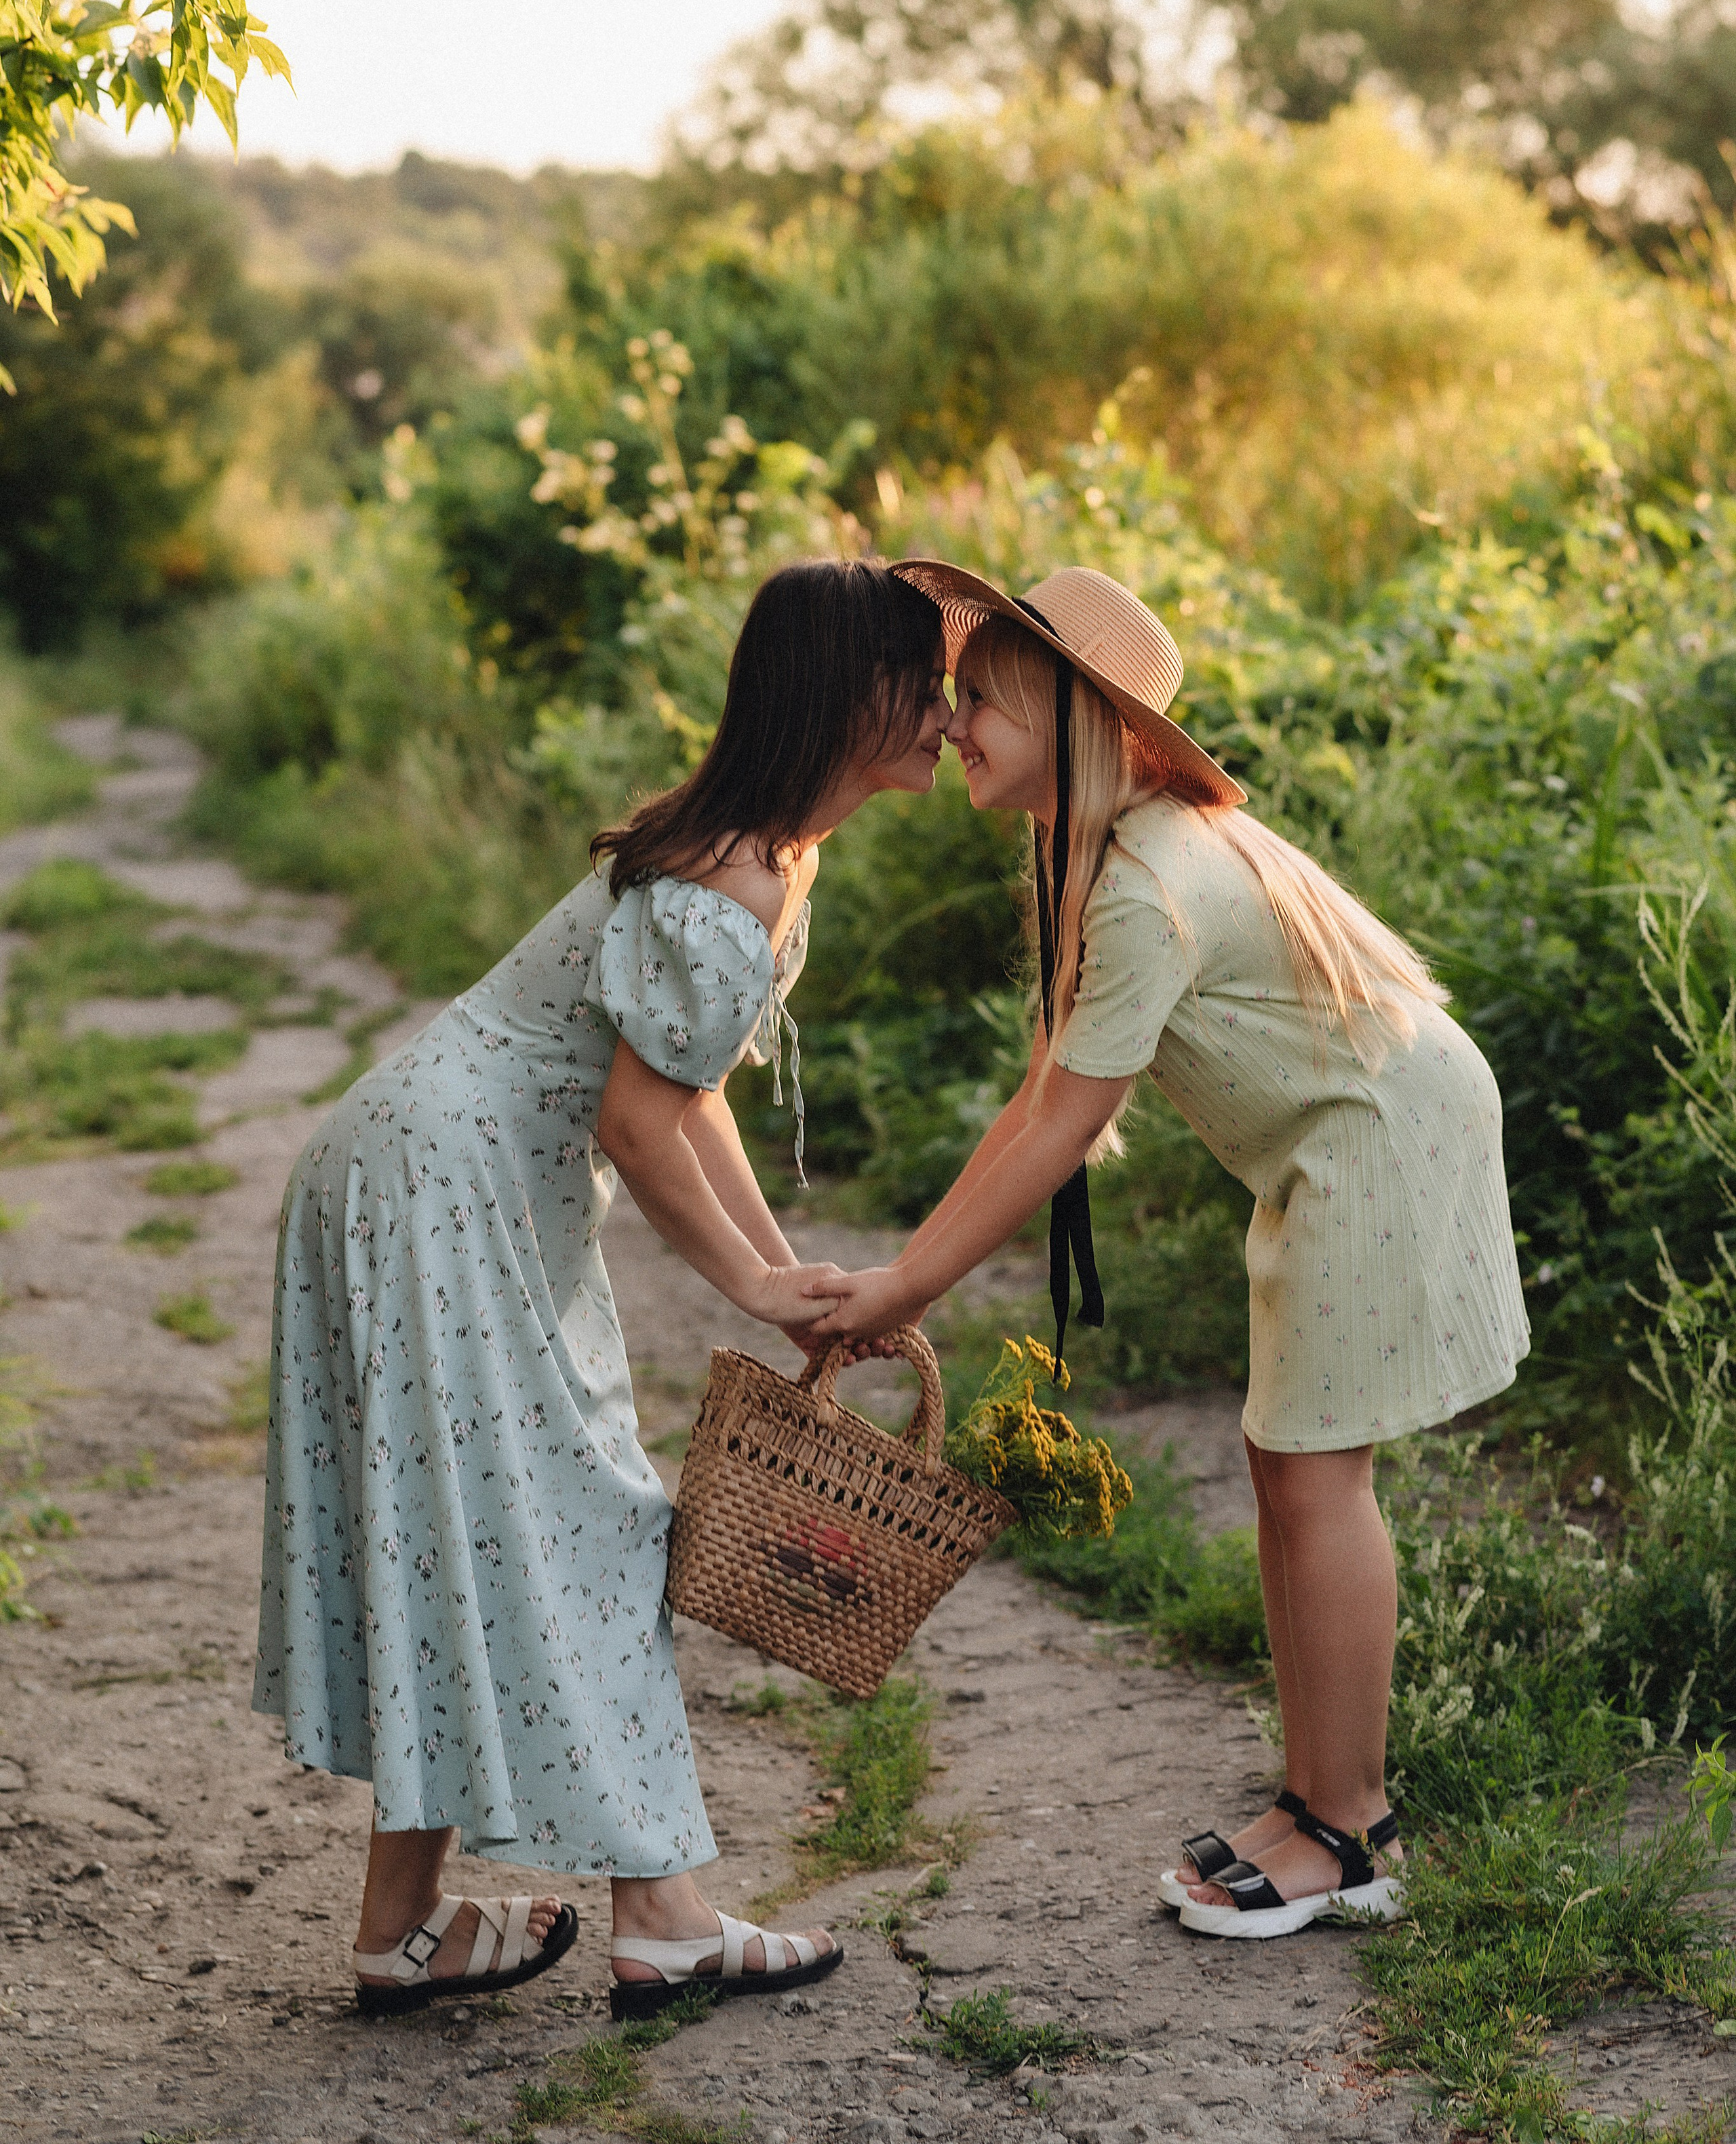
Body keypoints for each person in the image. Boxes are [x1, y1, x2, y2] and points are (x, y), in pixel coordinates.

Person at [793, 562, 1529, 1943]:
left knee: (1316, 1476)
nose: (953, 725)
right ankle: (1317, 1798)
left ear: (1074, 720)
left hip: (1373, 1139)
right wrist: (904, 1263)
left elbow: (1058, 1129)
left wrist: (901, 1282)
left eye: (979, 700)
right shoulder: (1120, 850)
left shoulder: (1142, 881)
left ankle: (1349, 1827)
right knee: (1287, 1463)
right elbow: (1042, 1099)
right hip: (1352, 1134)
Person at [254, 558, 949, 2016]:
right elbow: (637, 1125)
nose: (950, 716)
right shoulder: (733, 877)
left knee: (475, 1528)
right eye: (929, 682)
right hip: (445, 1190)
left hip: (421, 1169)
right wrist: (763, 1288)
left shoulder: (765, 852)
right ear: (853, 693)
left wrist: (784, 1272)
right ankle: (668, 1915)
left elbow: (687, 1099)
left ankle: (403, 1927)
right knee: (587, 1527)